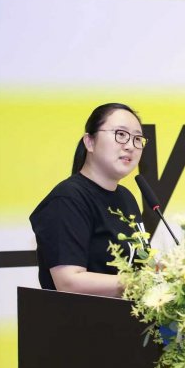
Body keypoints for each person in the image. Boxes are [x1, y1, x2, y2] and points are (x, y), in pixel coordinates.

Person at [29, 103, 147, 297]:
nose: (130, 146)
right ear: (90, 142)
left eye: (137, 139)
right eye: (121, 134)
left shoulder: (126, 197)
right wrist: (138, 282)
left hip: (126, 315)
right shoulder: (67, 199)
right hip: (80, 316)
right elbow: (68, 282)